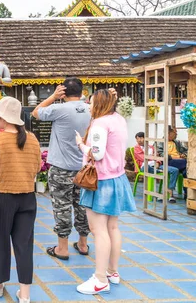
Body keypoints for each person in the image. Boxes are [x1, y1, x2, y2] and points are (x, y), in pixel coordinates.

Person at [75, 89, 136, 295]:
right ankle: (112, 271)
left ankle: (100, 279)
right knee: (113, 227)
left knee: (98, 230)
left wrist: (81, 146)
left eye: (91, 103)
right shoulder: (118, 119)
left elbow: (97, 154)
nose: (89, 106)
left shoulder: (100, 123)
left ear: (99, 104)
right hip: (117, 178)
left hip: (100, 181)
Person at [0, 97, 41, 303]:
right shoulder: (32, 139)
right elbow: (37, 167)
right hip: (27, 196)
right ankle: (24, 294)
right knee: (24, 244)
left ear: (2, 118)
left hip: (2, 196)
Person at [32, 78, 91, 260]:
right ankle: (82, 243)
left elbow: (35, 112)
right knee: (83, 205)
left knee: (62, 207)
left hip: (61, 168)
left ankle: (62, 248)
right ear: (82, 92)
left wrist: (53, 96)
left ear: (63, 92)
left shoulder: (59, 109)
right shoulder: (91, 110)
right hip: (85, 167)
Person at [135, 132, 180, 203]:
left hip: (156, 166)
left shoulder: (151, 147)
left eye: (141, 138)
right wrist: (153, 156)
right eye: (137, 139)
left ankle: (170, 190)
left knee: (175, 170)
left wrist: (158, 162)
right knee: (147, 167)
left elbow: (158, 157)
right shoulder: (136, 148)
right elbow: (143, 158)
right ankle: (158, 171)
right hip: (145, 166)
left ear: (145, 138)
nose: (139, 140)